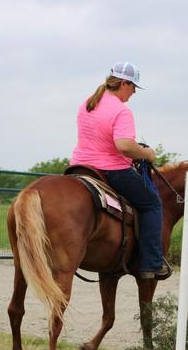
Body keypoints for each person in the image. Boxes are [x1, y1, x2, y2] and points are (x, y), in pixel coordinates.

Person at [70, 61, 170, 280]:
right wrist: (147, 154)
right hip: (111, 169)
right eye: (133, 87)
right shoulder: (121, 111)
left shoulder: (87, 103)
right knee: (153, 204)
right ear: (124, 83)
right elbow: (124, 145)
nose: (134, 92)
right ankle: (151, 263)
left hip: (80, 167)